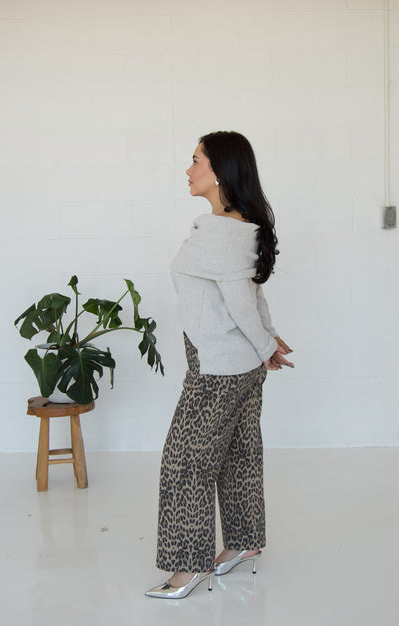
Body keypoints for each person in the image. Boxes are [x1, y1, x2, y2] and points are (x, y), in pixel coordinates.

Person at [145, 131, 294, 599]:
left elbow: (243, 305)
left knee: (185, 462)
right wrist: (267, 342)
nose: (188, 170)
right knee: (238, 453)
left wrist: (266, 341)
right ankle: (245, 542)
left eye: (196, 161)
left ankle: (187, 568)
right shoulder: (236, 226)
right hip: (237, 361)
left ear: (221, 171)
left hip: (218, 367)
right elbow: (254, 295)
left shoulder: (222, 233)